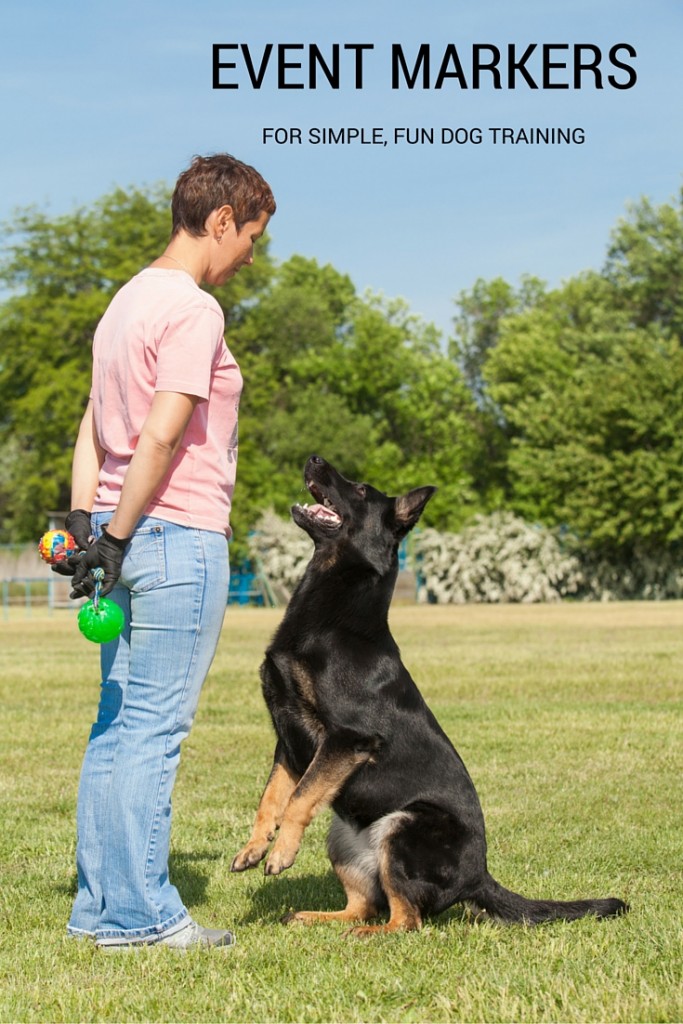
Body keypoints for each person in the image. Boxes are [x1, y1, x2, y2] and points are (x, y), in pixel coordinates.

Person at [60, 153, 275, 950]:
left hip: (118, 529)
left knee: (117, 722)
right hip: (173, 534)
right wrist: (115, 538)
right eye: (250, 236)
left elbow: (92, 427)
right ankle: (145, 917)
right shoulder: (192, 309)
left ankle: (98, 911)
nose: (249, 255)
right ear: (221, 220)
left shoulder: (124, 302)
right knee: (153, 728)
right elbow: (161, 433)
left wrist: (86, 523)